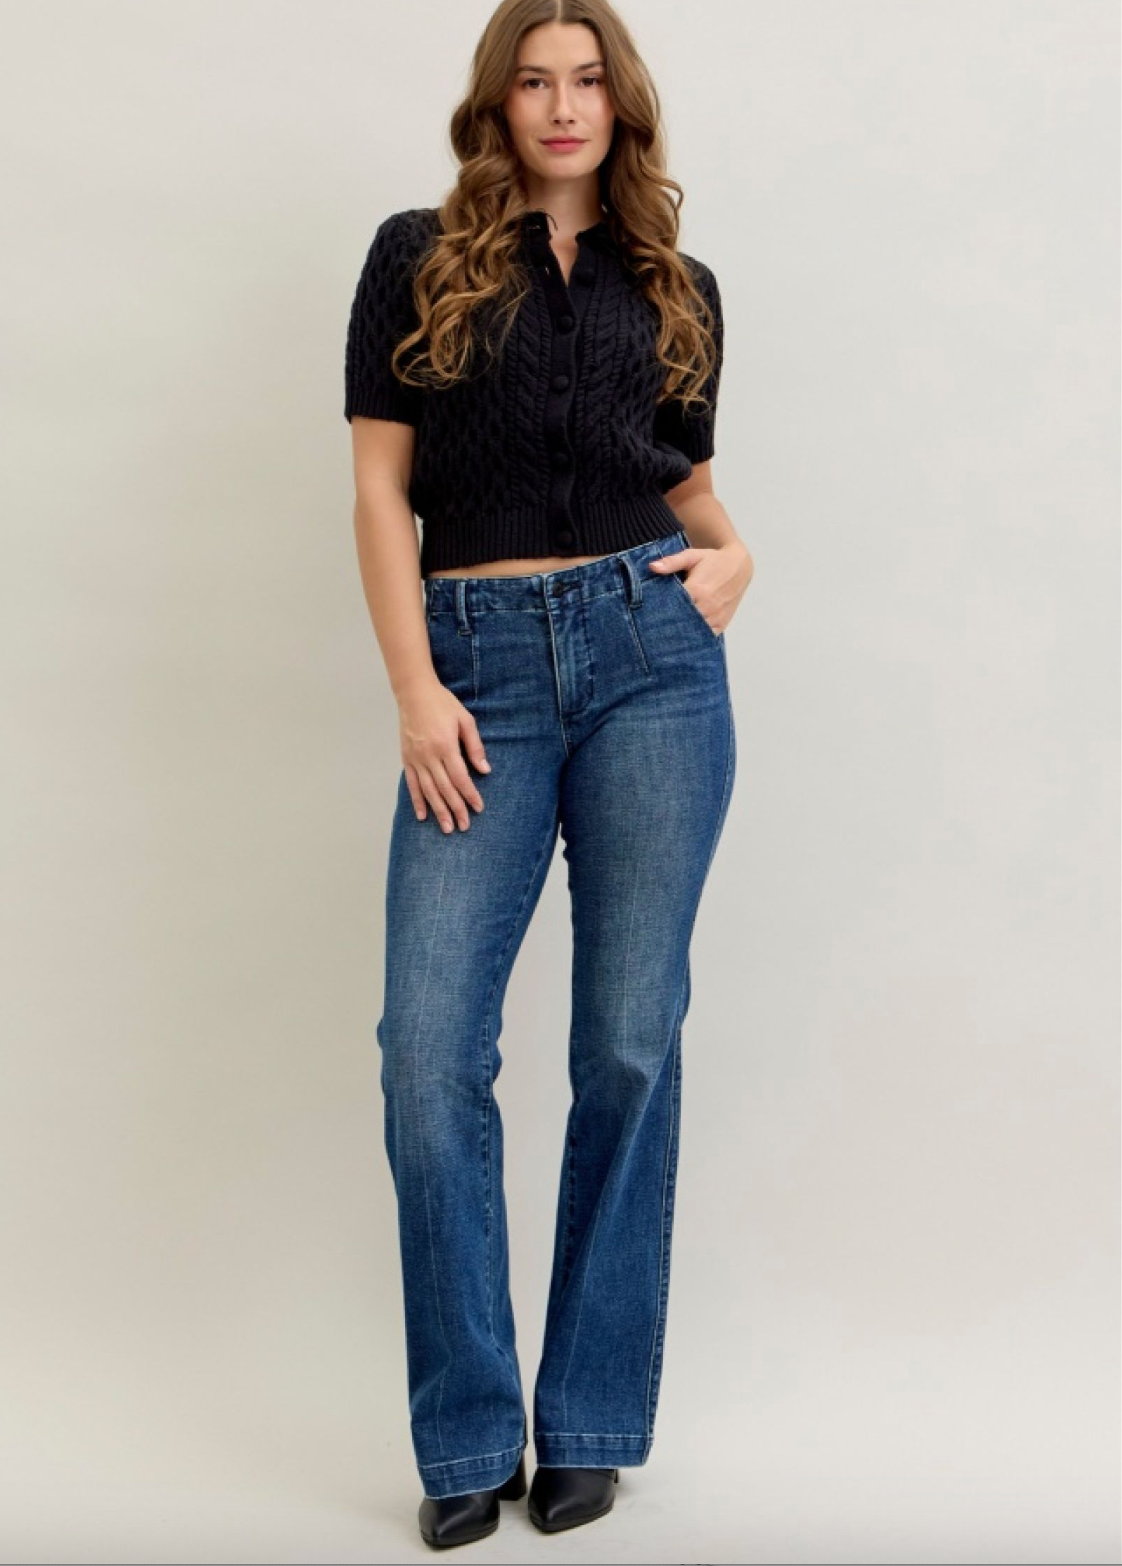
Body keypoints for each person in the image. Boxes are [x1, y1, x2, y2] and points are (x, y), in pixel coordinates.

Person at [344, 0, 753, 1548]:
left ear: (619, 103)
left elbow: (687, 483)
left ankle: (586, 1421)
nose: (561, 105)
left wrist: (735, 558)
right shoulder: (416, 255)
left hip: (653, 661)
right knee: (427, 1049)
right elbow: (379, 490)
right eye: (533, 80)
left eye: (586, 80)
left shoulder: (678, 286)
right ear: (498, 101)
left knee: (629, 1043)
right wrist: (415, 687)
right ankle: (465, 1433)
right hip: (478, 673)